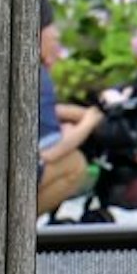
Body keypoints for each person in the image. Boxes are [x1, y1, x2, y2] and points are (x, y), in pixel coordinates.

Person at [36, 28, 99, 214]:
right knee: (75, 163)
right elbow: (49, 154)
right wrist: (87, 123)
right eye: (55, 39)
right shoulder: (38, 76)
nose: (58, 48)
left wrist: (79, 114)